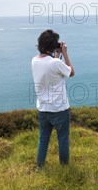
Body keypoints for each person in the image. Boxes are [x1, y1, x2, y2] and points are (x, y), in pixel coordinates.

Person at [31, 29, 75, 170]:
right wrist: (65, 54)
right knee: (62, 139)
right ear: (53, 45)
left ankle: (39, 168)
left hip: (43, 108)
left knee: (43, 139)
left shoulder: (34, 61)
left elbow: (51, 66)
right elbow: (71, 72)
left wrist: (57, 54)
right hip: (59, 109)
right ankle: (64, 168)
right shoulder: (55, 63)